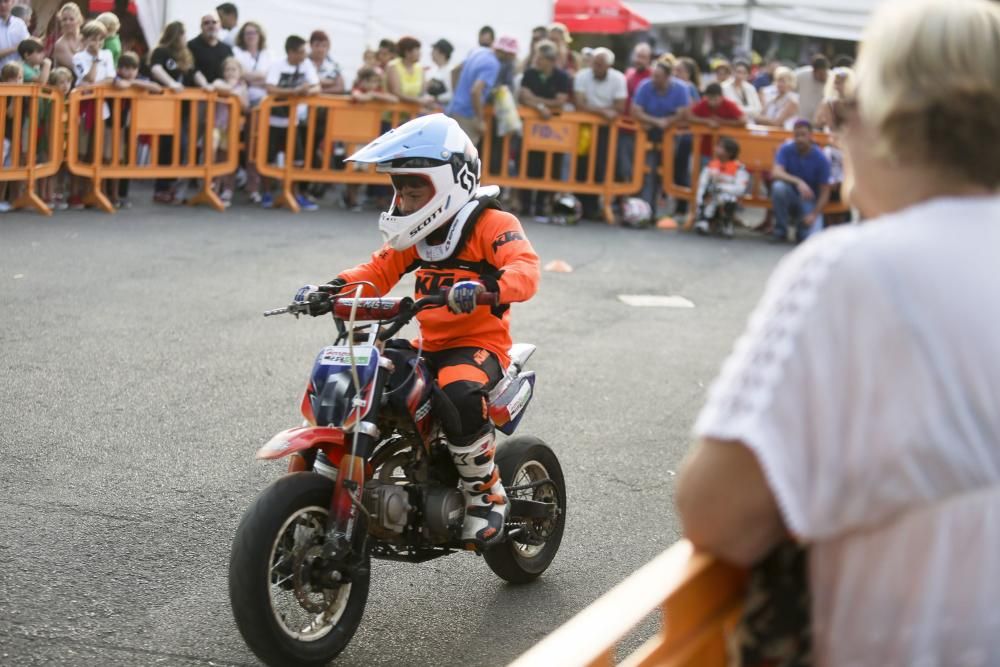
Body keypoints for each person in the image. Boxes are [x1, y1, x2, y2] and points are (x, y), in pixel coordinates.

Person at [677, 1, 1000, 663]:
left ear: (892, 116)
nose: (835, 128)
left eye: (844, 106)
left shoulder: (854, 269)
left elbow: (718, 510)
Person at [295, 113, 539, 549]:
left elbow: (525, 269)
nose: (405, 201)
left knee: (460, 392)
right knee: (361, 377)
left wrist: (485, 288)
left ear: (449, 181)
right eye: (400, 191)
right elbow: (376, 270)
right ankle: (325, 484)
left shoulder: (492, 224)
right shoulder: (416, 234)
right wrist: (330, 290)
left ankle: (487, 495)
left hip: (479, 346)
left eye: (415, 190)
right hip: (429, 345)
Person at [262, 34, 320, 211]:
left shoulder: (307, 65)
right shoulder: (278, 65)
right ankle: (267, 193)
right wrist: (294, 91)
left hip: (295, 121)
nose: (305, 55)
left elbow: (317, 86)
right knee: (268, 158)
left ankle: (294, 193)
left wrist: (307, 92)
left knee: (297, 159)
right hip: (274, 119)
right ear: (291, 52)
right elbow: (270, 88)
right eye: (302, 51)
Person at [631, 57, 692, 216]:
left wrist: (667, 122)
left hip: (673, 134)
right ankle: (647, 209)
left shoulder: (681, 88)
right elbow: (636, 110)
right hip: (650, 132)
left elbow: (683, 112)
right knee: (649, 169)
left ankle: (680, 209)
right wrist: (657, 121)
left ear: (667, 77)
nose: (654, 79)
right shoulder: (645, 86)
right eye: (653, 75)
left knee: (673, 170)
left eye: (658, 76)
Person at [517, 39, 571, 219]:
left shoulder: (562, 77)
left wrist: (536, 100)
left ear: (550, 60)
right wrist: (541, 107)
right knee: (528, 164)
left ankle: (541, 205)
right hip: (532, 129)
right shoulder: (529, 74)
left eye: (540, 58)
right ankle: (525, 204)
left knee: (550, 167)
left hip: (554, 132)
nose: (537, 61)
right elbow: (524, 97)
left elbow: (560, 101)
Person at [573, 46, 628, 218]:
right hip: (583, 128)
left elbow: (619, 106)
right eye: (594, 64)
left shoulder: (618, 78)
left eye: (600, 65)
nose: (596, 68)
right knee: (581, 165)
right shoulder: (582, 76)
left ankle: (596, 206)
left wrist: (595, 110)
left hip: (606, 131)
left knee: (601, 165)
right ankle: (580, 204)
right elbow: (579, 103)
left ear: (608, 66)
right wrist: (603, 112)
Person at [149, 21, 196, 204]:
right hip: (166, 108)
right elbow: (156, 69)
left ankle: (173, 188)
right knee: (167, 147)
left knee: (182, 147)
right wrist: (171, 84)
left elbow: (195, 72)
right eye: (183, 34)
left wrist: (207, 86)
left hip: (183, 109)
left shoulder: (186, 55)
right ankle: (162, 188)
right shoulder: (161, 52)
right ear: (177, 35)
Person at [446, 34, 518, 148]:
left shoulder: (478, 52)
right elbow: (476, 91)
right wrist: (480, 120)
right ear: (506, 53)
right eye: (512, 54)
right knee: (463, 156)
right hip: (467, 115)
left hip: (453, 109)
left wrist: (457, 96)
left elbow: (454, 71)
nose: (513, 58)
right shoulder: (493, 64)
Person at [110, 51, 161, 208]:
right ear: (118, 69)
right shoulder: (115, 78)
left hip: (131, 127)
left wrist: (133, 83)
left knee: (126, 159)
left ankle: (122, 194)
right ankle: (112, 194)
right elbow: (118, 84)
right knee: (114, 159)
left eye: (132, 68)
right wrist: (130, 83)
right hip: (114, 125)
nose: (129, 72)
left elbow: (157, 88)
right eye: (125, 68)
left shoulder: (138, 80)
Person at [769, 119, 831, 242]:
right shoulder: (786, 148)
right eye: (797, 135)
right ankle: (781, 230)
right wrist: (798, 181)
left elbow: (825, 191)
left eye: (803, 135)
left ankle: (801, 229)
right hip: (790, 194)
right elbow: (776, 172)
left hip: (809, 199)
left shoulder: (821, 158)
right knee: (778, 187)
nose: (800, 139)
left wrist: (814, 214)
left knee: (810, 239)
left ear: (810, 136)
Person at [233, 21, 269, 203]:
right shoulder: (237, 52)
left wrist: (250, 77)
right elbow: (238, 74)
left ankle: (253, 187)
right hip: (241, 103)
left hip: (261, 105)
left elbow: (268, 78)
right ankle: (228, 187)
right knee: (232, 145)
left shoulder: (267, 54)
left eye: (254, 32)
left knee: (255, 146)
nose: (251, 36)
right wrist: (258, 77)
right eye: (247, 33)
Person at [693, 136, 749, 239]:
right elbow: (702, 183)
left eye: (720, 147)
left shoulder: (739, 168)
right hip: (711, 196)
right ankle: (704, 220)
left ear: (730, 152)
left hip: (727, 196)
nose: (716, 149)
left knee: (729, 199)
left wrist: (721, 187)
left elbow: (740, 189)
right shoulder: (711, 165)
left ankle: (727, 223)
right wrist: (700, 199)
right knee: (707, 193)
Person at [688, 82, 746, 160]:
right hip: (706, 149)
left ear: (721, 97)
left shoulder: (729, 104)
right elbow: (689, 117)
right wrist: (707, 121)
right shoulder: (703, 103)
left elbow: (743, 121)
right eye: (709, 99)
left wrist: (722, 122)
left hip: (727, 151)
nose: (712, 102)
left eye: (715, 99)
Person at [188, 12, 233, 91]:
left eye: (214, 22)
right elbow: (191, 69)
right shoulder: (190, 46)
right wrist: (205, 85)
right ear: (201, 27)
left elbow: (233, 70)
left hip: (221, 95)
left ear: (219, 25)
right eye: (206, 23)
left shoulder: (227, 49)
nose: (211, 25)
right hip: (197, 95)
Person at [386, 35, 427, 107]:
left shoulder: (420, 68)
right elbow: (396, 92)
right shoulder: (393, 66)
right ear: (407, 52)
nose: (420, 53)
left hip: (414, 113)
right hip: (393, 113)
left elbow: (422, 92)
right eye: (417, 49)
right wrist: (417, 100)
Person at [813, 66, 854, 131]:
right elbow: (819, 122)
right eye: (837, 82)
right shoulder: (829, 102)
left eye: (842, 82)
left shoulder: (854, 102)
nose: (839, 86)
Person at [794, 54, 829, 125]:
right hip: (802, 120)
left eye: (824, 73)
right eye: (820, 74)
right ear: (814, 71)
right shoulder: (801, 75)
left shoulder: (832, 78)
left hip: (821, 123)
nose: (823, 76)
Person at [307, 30, 344, 95]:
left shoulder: (334, 65)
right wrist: (330, 82)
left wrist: (317, 90)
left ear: (328, 47)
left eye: (324, 45)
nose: (320, 49)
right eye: (317, 45)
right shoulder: (302, 62)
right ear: (310, 45)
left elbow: (340, 88)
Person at [52, 2, 83, 71]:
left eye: (71, 19)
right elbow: (78, 68)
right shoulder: (60, 44)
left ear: (79, 20)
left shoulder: (85, 39)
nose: (67, 22)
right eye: (64, 19)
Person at [0, 0, 29, 68]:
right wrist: (15, 48)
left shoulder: (19, 24)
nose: (2, 5)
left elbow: (28, 46)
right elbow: (21, 45)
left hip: (17, 74)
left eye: (6, 1)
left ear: (13, 2)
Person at [426, 38, 454, 106]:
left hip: (442, 111)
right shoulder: (431, 70)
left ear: (442, 53)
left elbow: (452, 94)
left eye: (434, 50)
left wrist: (436, 98)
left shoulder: (450, 71)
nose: (431, 53)